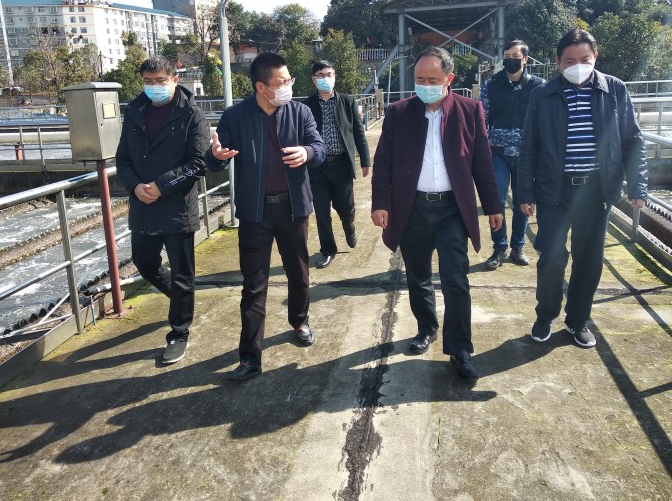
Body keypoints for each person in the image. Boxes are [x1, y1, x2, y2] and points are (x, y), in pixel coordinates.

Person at [371, 46, 503, 379]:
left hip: (452, 210)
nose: (425, 85)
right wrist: (380, 202)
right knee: (417, 275)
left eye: (433, 79)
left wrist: (493, 206)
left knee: (456, 278)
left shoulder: (470, 110)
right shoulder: (399, 112)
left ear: (449, 78)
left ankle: (460, 348)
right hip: (412, 207)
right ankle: (426, 327)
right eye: (420, 79)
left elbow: (482, 162)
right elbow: (383, 160)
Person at [518, 29, 648, 348]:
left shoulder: (614, 89)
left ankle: (577, 321)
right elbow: (529, 146)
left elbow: (632, 139)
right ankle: (545, 315)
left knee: (589, 261)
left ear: (595, 57)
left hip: (596, 191)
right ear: (558, 63)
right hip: (554, 190)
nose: (578, 66)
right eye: (569, 61)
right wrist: (525, 192)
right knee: (551, 257)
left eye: (585, 59)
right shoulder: (543, 95)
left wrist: (638, 185)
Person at [206, 52, 326, 381]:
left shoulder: (300, 112)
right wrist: (216, 156)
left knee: (298, 273)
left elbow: (320, 148)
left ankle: (299, 321)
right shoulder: (235, 116)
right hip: (254, 211)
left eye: (289, 80)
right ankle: (249, 358)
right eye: (281, 82)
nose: (288, 86)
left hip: (293, 207)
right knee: (253, 285)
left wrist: (307, 152)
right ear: (261, 86)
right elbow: (214, 158)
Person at [115, 56, 209, 364]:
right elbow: (122, 159)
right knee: (144, 262)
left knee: (182, 273)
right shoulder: (135, 112)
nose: (154, 86)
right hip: (143, 204)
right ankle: (182, 300)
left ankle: (179, 332)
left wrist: (161, 186)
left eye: (160, 81)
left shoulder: (191, 114)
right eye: (148, 81)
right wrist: (134, 186)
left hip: (177, 205)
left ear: (174, 80)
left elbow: (198, 163)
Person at [480, 39, 545, 270]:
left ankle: (518, 247)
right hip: (497, 152)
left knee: (522, 201)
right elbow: (482, 118)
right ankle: (499, 247)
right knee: (496, 200)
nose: (510, 60)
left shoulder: (538, 86)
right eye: (506, 56)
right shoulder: (491, 85)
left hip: (527, 155)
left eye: (515, 56)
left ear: (525, 59)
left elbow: (544, 121)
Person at [301, 60, 372, 269]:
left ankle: (349, 227)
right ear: (314, 79)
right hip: (317, 167)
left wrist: (365, 160)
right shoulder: (306, 106)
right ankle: (327, 250)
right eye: (321, 75)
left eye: (329, 74)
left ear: (335, 76)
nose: (326, 79)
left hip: (341, 164)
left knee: (345, 207)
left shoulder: (347, 102)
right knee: (321, 212)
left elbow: (358, 132)